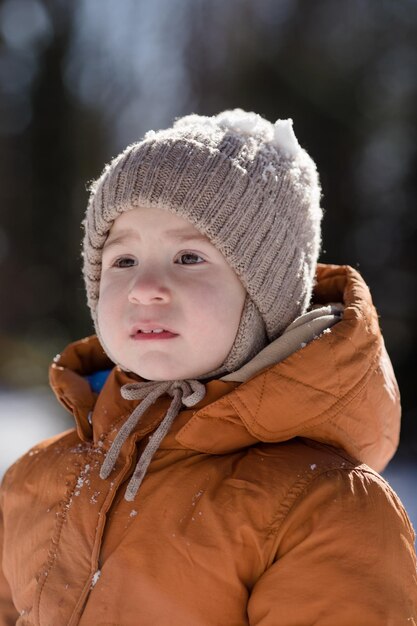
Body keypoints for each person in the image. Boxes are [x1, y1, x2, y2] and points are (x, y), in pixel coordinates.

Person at [0, 109, 416, 625]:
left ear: (265, 296)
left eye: (189, 258)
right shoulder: (34, 478)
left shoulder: (327, 508)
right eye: (123, 261)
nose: (145, 287)